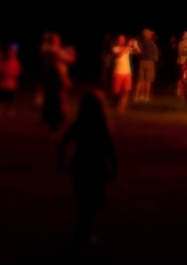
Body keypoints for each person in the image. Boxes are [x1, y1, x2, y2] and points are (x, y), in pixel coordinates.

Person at [58, 92, 118, 244]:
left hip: (81, 166)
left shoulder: (79, 124)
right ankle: (86, 232)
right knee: (92, 202)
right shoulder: (101, 126)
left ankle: (84, 231)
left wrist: (61, 162)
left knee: (83, 201)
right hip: (97, 167)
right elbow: (110, 149)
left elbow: (63, 143)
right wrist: (114, 167)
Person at [109, 34, 137, 112]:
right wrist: (128, 45)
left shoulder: (127, 48)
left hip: (127, 73)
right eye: (120, 39)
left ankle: (121, 109)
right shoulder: (115, 48)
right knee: (116, 92)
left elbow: (138, 51)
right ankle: (116, 105)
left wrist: (135, 45)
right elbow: (120, 54)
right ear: (117, 41)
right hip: (118, 72)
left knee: (126, 91)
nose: (122, 40)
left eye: (123, 39)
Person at [0, 44, 21, 116]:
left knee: (10, 100)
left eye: (13, 53)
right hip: (3, 83)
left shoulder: (16, 63)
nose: (11, 54)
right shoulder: (3, 62)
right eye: (10, 52)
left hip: (11, 84)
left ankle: (9, 111)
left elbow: (17, 73)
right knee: (1, 99)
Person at [134, 29, 158, 103]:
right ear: (147, 35)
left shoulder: (140, 42)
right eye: (150, 34)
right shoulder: (151, 43)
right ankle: (146, 97)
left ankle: (137, 96)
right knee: (148, 81)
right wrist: (155, 58)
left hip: (141, 62)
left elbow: (137, 51)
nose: (151, 35)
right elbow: (155, 52)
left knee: (140, 80)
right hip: (149, 62)